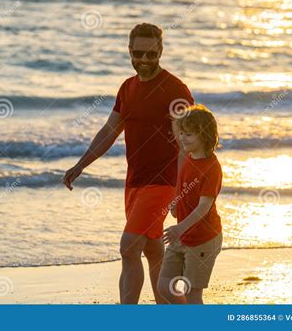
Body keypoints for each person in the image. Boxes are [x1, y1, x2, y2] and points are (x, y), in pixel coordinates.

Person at [62, 23, 194, 304]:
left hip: (164, 182)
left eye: (150, 54)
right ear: (129, 51)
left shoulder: (175, 90)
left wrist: (185, 192)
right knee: (153, 252)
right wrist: (80, 164)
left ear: (161, 51)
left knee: (129, 246)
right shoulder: (127, 88)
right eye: (137, 54)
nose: (143, 61)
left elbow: (190, 142)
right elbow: (110, 130)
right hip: (135, 182)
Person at [157, 104, 223, 304]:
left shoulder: (212, 168)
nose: (182, 138)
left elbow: (204, 207)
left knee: (193, 293)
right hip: (182, 236)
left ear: (204, 135)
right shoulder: (188, 156)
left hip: (203, 238)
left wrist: (179, 228)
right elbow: (182, 183)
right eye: (182, 133)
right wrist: (176, 202)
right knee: (164, 286)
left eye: (189, 135)